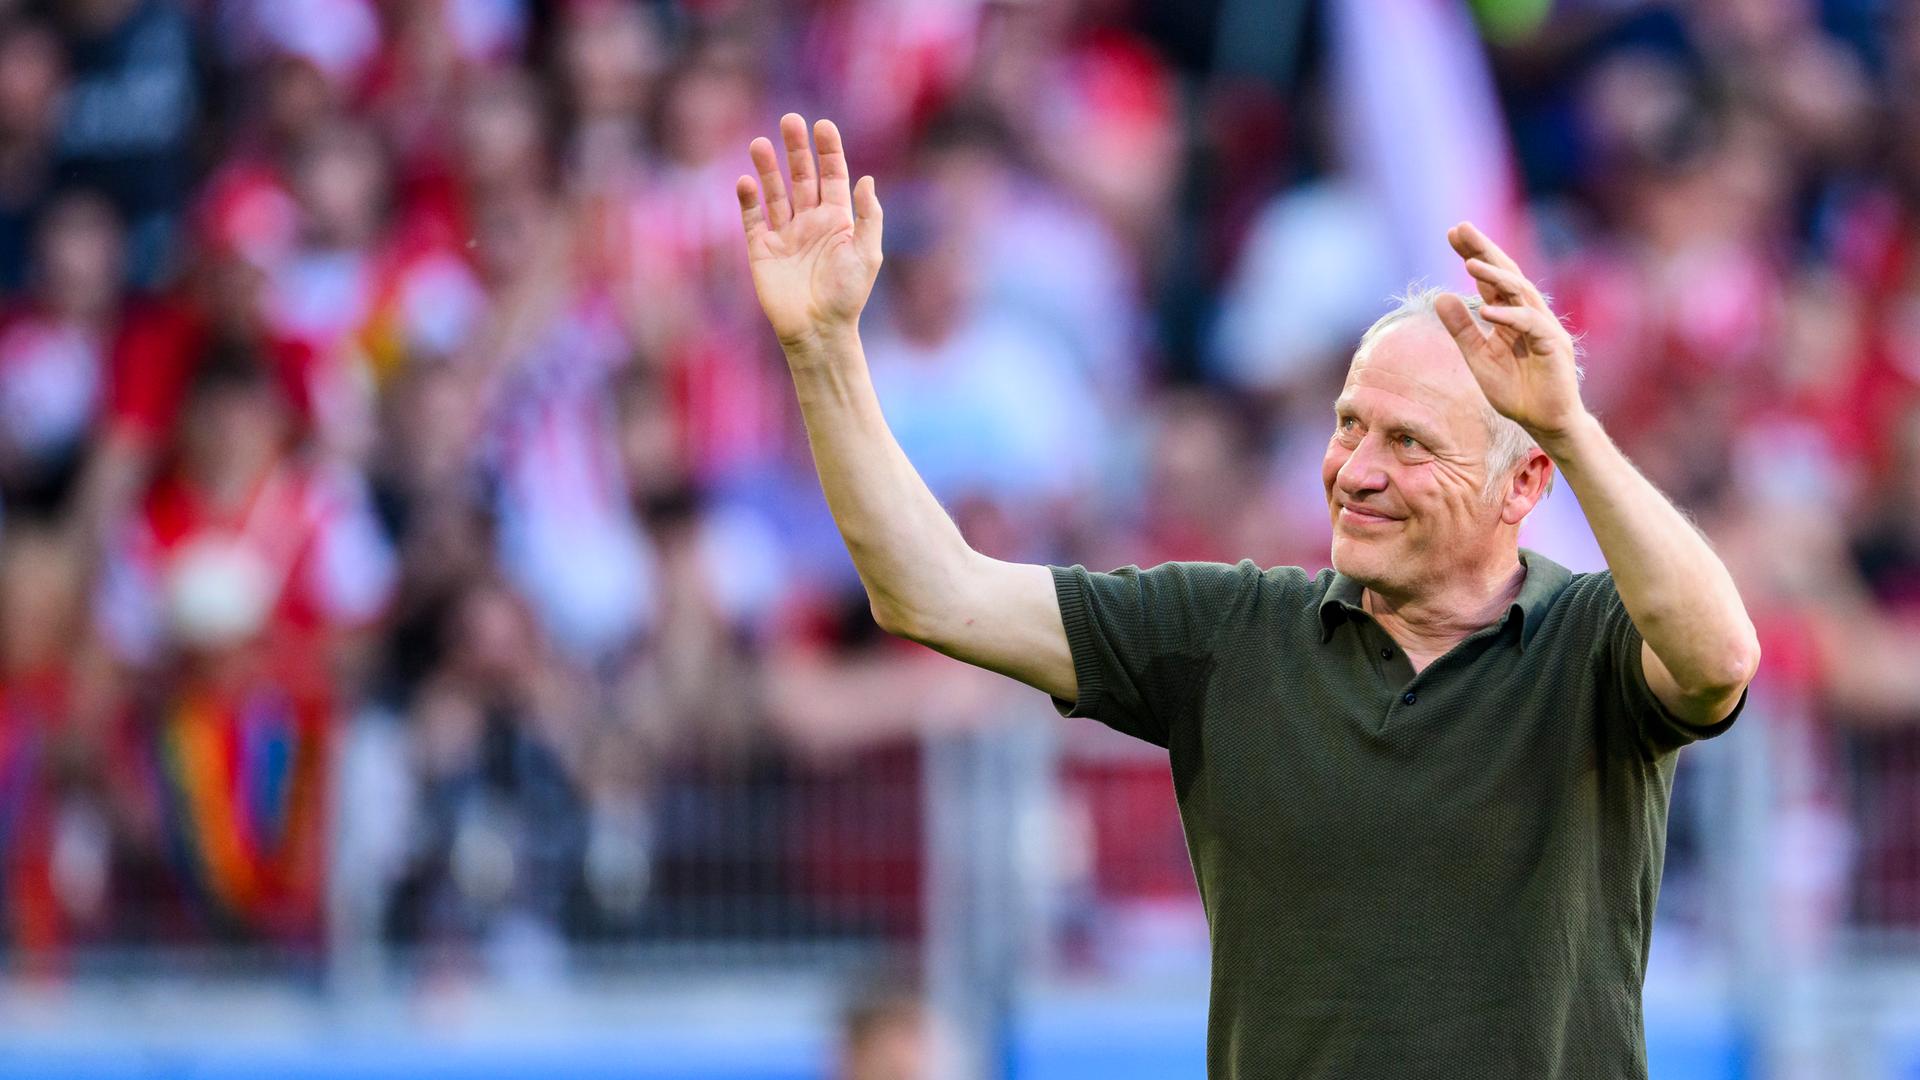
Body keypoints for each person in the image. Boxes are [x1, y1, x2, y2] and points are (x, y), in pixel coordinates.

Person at [734, 114, 1760, 1079]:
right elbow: (934, 595)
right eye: (1350, 424)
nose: (1355, 470)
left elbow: (1719, 661)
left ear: (1524, 485)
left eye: (1408, 444)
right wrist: (823, 351)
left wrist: (1572, 429)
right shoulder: (1230, 630)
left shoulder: (1590, 642)